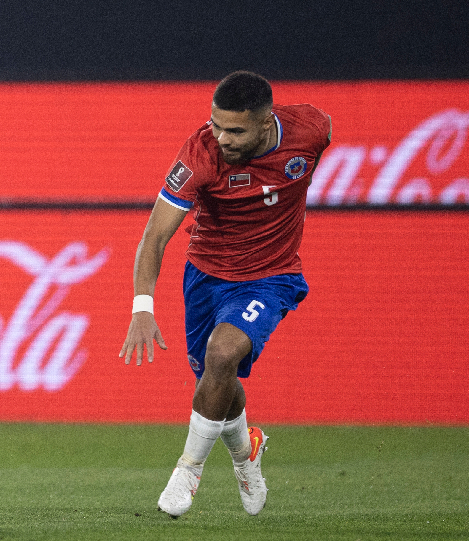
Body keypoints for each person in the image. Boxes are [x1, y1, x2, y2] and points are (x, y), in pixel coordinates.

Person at [119, 71, 331, 517]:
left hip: (271, 276)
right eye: (216, 125)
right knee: (216, 381)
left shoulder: (309, 130)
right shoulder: (199, 156)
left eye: (235, 130)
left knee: (222, 354)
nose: (222, 138)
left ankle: (188, 469)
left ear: (266, 121)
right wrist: (142, 308)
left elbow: (322, 129)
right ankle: (246, 455)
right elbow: (154, 238)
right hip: (207, 277)